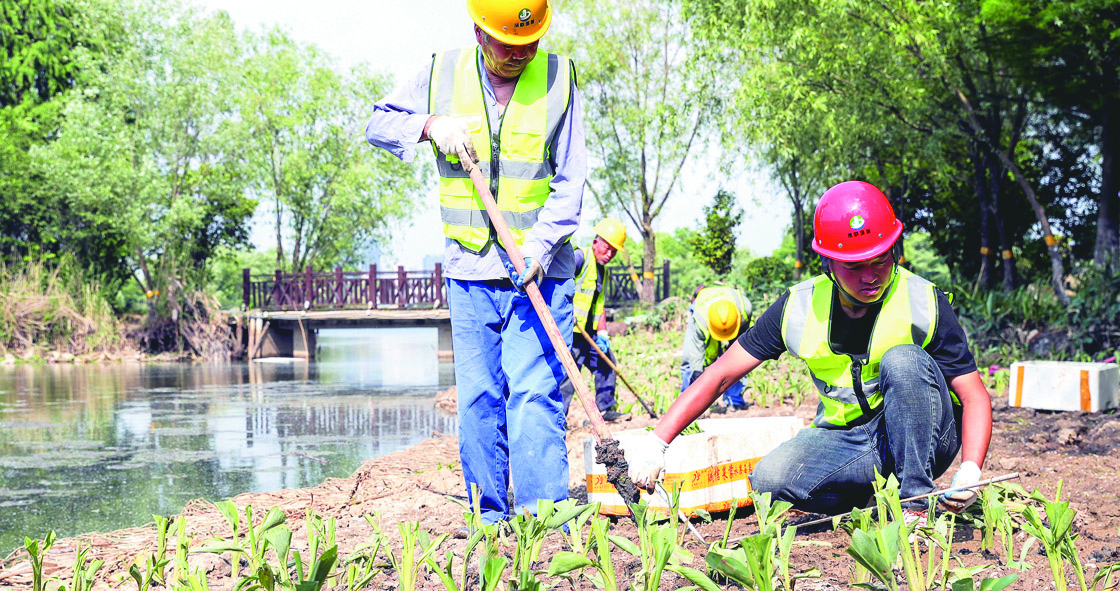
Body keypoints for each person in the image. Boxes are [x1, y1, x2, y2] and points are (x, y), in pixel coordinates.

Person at [629, 180, 992, 520]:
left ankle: (914, 504)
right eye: (854, 265)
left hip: (929, 436)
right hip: (852, 442)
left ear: (894, 249)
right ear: (828, 262)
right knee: (768, 482)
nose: (870, 276)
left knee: (904, 360)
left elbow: (974, 396)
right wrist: (658, 442)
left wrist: (971, 468)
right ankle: (868, 499)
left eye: (881, 259)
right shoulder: (798, 307)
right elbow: (721, 374)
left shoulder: (922, 299)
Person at [364, 0, 585, 524]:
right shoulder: (441, 72)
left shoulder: (559, 79)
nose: (519, 54)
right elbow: (377, 123)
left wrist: (537, 250)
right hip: (470, 274)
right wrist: (429, 125)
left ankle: (544, 519)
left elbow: (570, 183)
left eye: (528, 43)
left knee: (534, 394)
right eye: (508, 44)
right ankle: (489, 519)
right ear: (479, 33)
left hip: (542, 271)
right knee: (479, 400)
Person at [560, 217, 626, 422]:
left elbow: (600, 305)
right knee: (567, 378)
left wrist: (603, 333)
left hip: (590, 334)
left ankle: (604, 409)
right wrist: (565, 311)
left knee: (607, 364)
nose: (609, 255)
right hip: (571, 332)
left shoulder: (602, 270)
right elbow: (559, 286)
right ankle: (557, 420)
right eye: (607, 248)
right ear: (596, 242)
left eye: (614, 252)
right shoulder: (580, 257)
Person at [680, 283, 753, 412]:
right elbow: (695, 351)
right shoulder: (700, 321)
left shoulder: (745, 309)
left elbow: (745, 347)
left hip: (733, 316)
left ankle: (734, 401)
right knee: (689, 360)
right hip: (702, 305)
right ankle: (686, 406)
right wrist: (697, 373)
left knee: (739, 360)